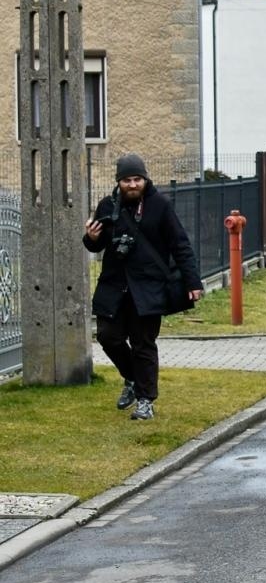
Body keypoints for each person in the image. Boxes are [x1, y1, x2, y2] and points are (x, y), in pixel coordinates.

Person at [83, 153, 202, 421]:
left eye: (137, 179)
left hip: (148, 287)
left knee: (143, 344)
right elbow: (96, 245)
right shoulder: (107, 206)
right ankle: (132, 378)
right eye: (127, 180)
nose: (133, 185)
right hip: (114, 286)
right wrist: (90, 238)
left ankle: (146, 400)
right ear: (119, 181)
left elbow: (180, 245)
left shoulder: (160, 205)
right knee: (107, 336)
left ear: (145, 180)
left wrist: (192, 282)